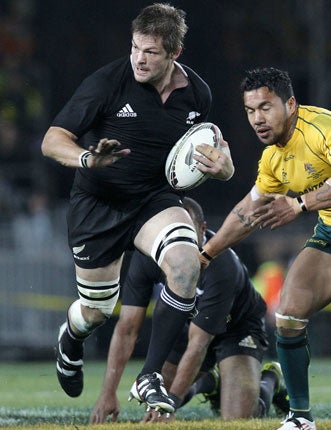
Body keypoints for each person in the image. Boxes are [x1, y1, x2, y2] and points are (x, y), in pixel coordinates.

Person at [41, 3, 234, 414]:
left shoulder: (198, 95)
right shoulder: (107, 82)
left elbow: (215, 152)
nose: (139, 59)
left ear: (174, 54)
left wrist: (225, 167)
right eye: (134, 48)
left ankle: (149, 376)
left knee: (186, 264)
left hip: (152, 201)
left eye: (150, 52)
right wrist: (88, 159)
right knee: (96, 314)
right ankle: (70, 337)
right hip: (99, 203)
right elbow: (52, 139)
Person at [199, 67, 331, 430]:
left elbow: (295, 204)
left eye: (266, 107)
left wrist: (300, 204)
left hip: (318, 218)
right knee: (288, 316)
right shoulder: (273, 158)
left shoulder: (321, 128)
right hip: (330, 235)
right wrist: (206, 254)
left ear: (290, 104)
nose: (257, 119)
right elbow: (248, 212)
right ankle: (300, 418)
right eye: (250, 110)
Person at [90, 197, 288, 424]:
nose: (178, 239)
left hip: (237, 328)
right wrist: (107, 393)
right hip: (188, 326)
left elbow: (199, 345)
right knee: (155, 393)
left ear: (202, 230)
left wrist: (171, 403)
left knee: (238, 417)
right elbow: (127, 328)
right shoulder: (148, 257)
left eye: (186, 229)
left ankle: (272, 379)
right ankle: (210, 382)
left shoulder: (222, 267)